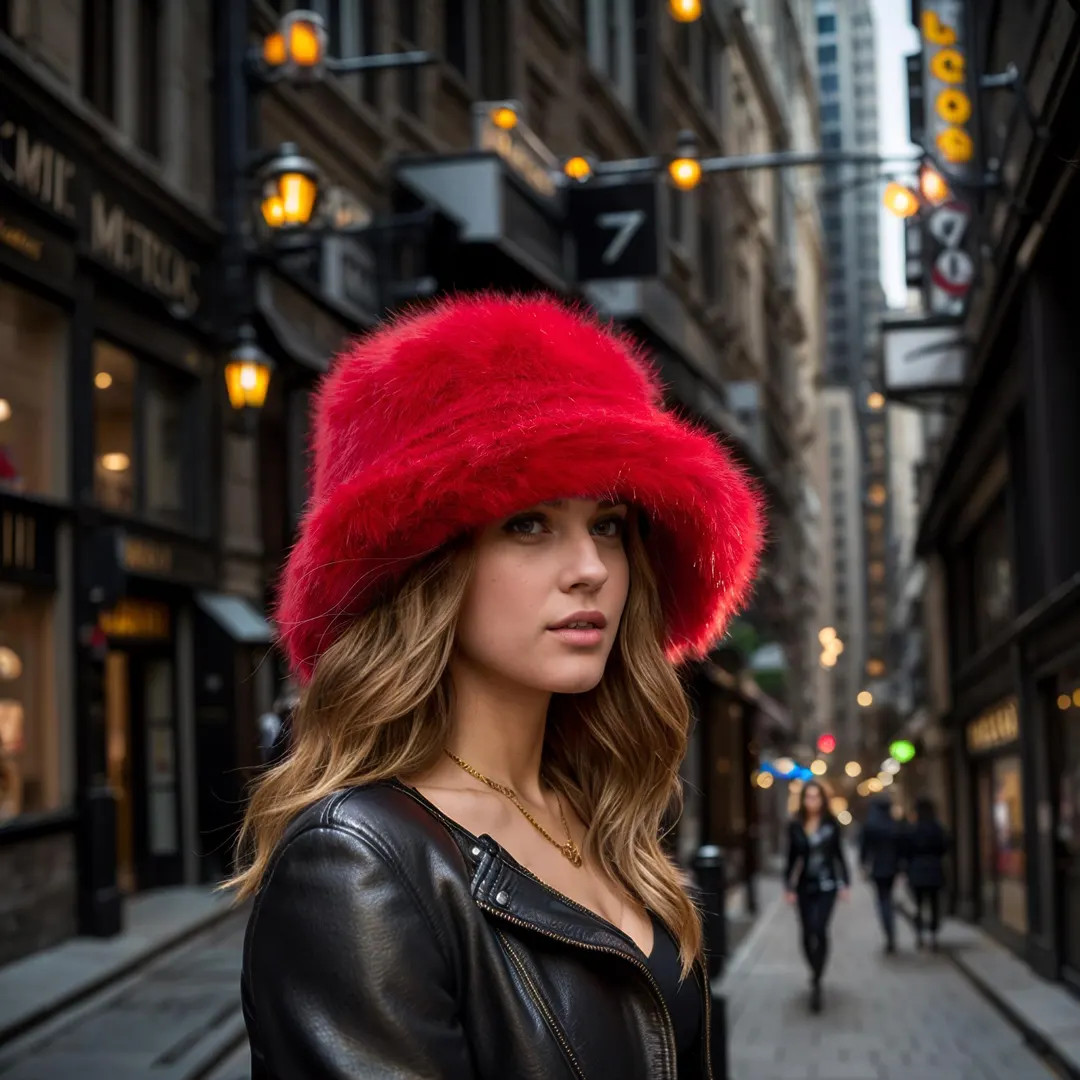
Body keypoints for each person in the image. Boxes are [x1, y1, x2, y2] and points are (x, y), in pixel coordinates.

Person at [229, 294, 764, 1079]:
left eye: (608, 524)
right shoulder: (357, 865)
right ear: (430, 564)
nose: (590, 569)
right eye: (529, 524)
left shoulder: (595, 809)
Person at [785, 780, 850, 1012]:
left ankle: (818, 979)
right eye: (808, 797)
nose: (812, 801)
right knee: (806, 932)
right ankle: (814, 970)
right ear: (803, 800)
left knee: (819, 928)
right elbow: (792, 858)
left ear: (823, 799)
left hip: (827, 884)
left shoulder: (831, 824)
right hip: (804, 885)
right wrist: (788, 887)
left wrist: (846, 883)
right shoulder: (795, 825)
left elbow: (839, 855)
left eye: (816, 797)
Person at [860, 795, 905, 954]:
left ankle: (889, 932)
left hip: (877, 868)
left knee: (882, 900)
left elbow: (864, 849)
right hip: (892, 868)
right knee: (888, 898)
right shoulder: (893, 825)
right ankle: (891, 931)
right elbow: (901, 848)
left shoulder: (870, 826)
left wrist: (864, 867)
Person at [906, 797, 948, 950]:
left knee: (918, 905)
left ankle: (919, 935)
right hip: (934, 869)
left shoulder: (913, 828)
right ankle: (933, 936)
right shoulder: (937, 828)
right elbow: (945, 847)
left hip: (917, 870)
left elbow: (906, 850)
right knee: (934, 904)